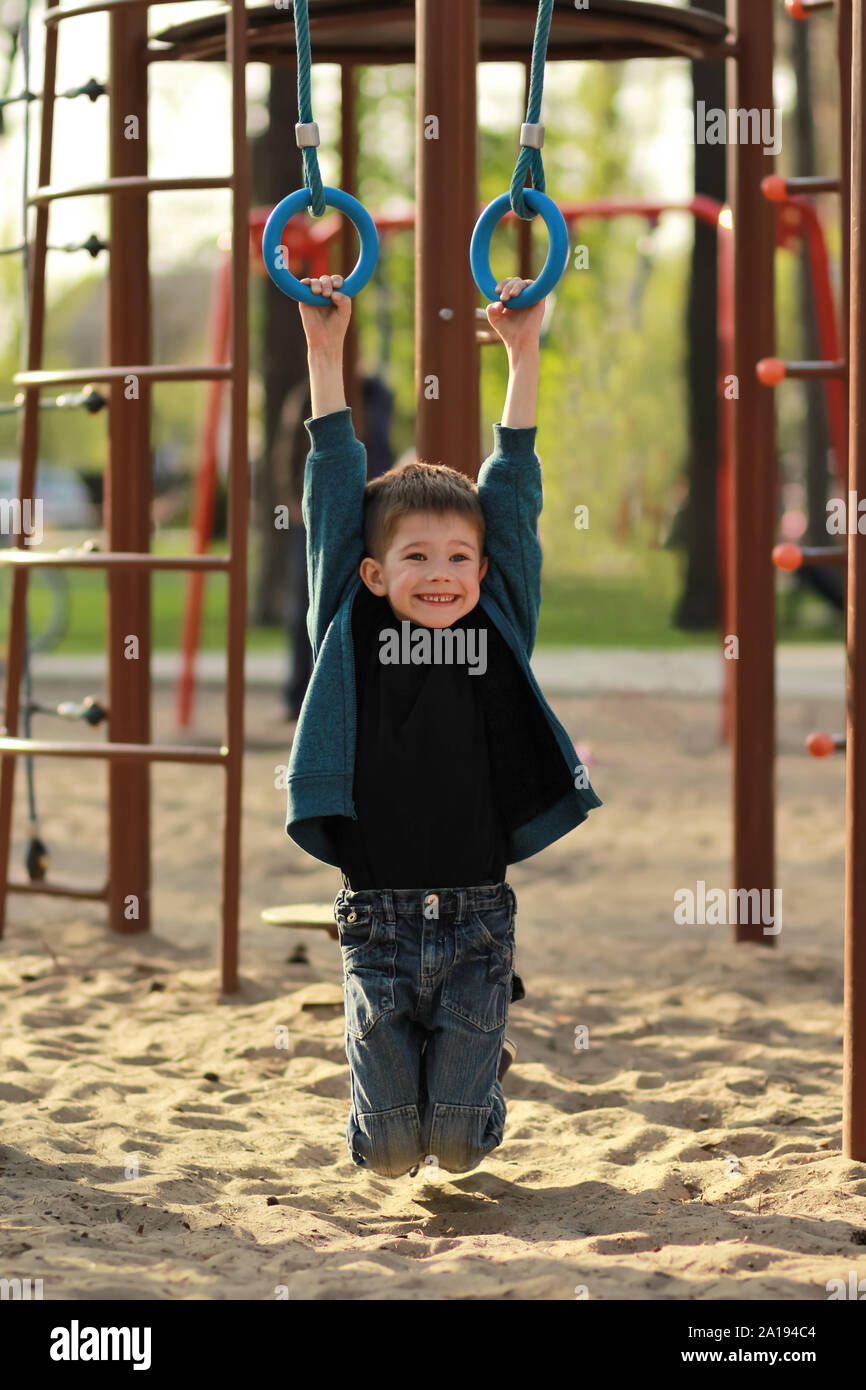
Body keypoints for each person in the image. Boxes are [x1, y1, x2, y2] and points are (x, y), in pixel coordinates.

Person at [284, 271, 602, 1179]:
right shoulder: (351, 620)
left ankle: (480, 1051)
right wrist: (323, 350)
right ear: (375, 573)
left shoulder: (499, 619)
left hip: (475, 925)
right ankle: (416, 1071)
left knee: (460, 1148)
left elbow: (513, 491)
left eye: (459, 557)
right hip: (377, 925)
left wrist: (524, 352)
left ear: (483, 568)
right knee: (385, 1154)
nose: (441, 572)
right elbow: (333, 487)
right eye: (417, 555)